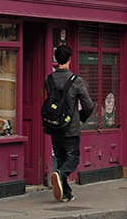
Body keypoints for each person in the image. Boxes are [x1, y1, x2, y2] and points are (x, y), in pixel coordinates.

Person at [44, 45, 93, 203]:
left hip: (54, 125)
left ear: (56, 59)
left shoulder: (49, 80)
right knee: (73, 158)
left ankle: (66, 194)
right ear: (70, 59)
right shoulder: (76, 81)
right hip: (70, 127)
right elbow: (88, 105)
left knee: (60, 157)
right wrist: (81, 118)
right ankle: (61, 174)